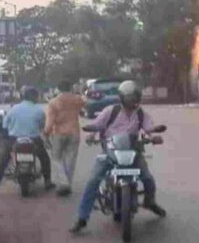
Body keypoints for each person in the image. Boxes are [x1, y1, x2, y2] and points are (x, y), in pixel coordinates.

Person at [70, 80, 166, 234]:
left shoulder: (141, 113)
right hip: (110, 151)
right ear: (122, 98)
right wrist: (92, 133)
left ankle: (150, 202)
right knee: (93, 180)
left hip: (133, 152)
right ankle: (82, 218)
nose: (132, 101)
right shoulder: (110, 111)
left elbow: (149, 127)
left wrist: (154, 135)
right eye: (129, 98)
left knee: (148, 178)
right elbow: (98, 124)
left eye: (134, 97)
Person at [0, 87, 54, 191]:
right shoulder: (39, 110)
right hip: (33, 139)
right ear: (34, 97)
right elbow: (42, 126)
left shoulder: (14, 108)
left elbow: (5, 125)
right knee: (44, 158)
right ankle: (47, 181)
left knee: (3, 161)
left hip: (14, 139)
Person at [44, 79, 85, 196]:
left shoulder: (53, 102)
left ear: (58, 88)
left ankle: (63, 183)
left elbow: (49, 122)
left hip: (58, 133)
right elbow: (85, 104)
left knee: (56, 158)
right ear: (70, 87)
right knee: (70, 159)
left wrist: (46, 133)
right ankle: (67, 183)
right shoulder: (77, 100)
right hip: (74, 131)